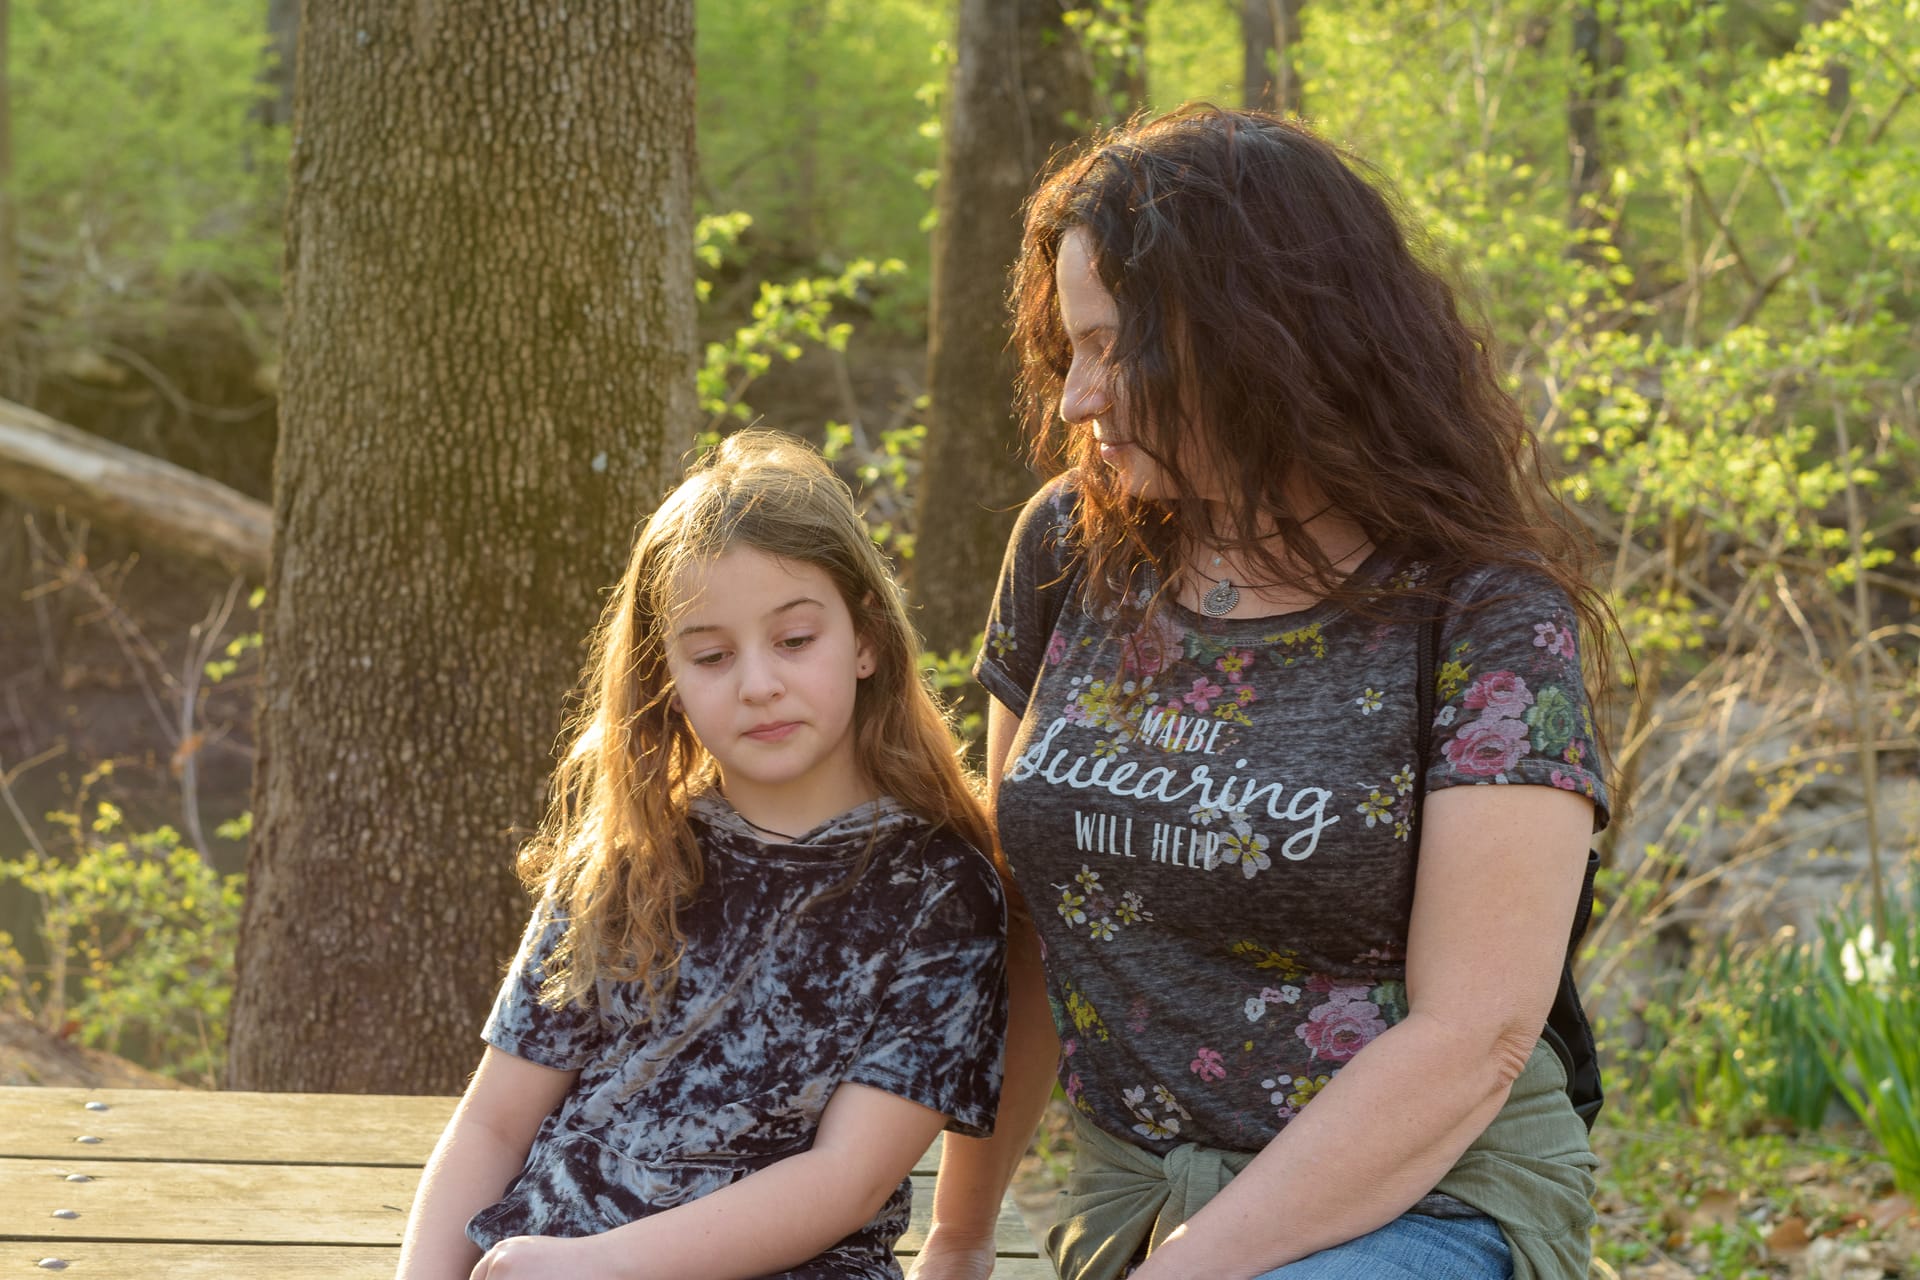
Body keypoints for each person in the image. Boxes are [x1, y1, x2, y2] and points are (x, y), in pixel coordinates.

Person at [910, 106, 1613, 1280]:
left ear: (1258, 337)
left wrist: (1191, 1267)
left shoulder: (1482, 611)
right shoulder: (1066, 553)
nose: (1075, 399)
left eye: (1110, 347)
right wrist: (961, 1231)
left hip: (1428, 1194)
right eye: (1065, 350)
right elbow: (1030, 923)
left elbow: (1475, 1035)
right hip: (1139, 1201)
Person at [396, 431, 1009, 1280]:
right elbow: (494, 1123)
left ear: (865, 639)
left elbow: (847, 1180)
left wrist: (602, 1269)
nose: (757, 682)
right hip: (545, 1252)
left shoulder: (940, 889)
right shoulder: (628, 856)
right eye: (712, 656)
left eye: (794, 640)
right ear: (665, 679)